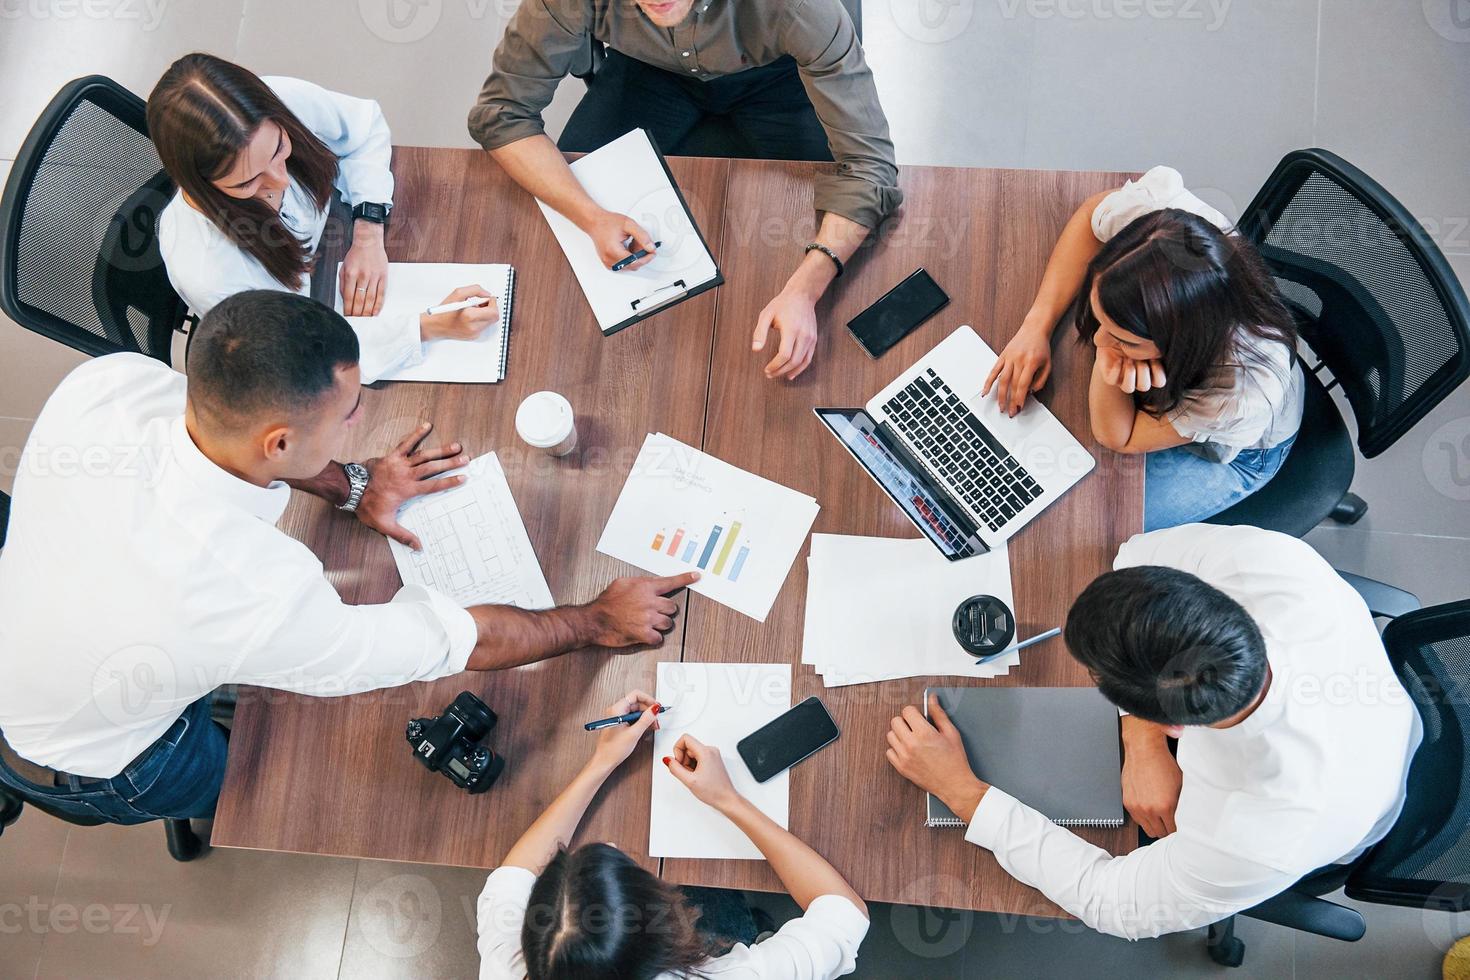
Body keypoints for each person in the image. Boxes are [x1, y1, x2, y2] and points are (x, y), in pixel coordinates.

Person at [0, 291, 695, 826]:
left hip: (56, 615)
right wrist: (593, 620)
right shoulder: (250, 591)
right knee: (242, 790)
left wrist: (354, 485)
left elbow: (236, 447)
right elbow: (458, 639)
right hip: (105, 745)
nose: (362, 419)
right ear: (277, 442)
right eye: (350, 412)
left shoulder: (111, 386)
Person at [885, 523, 1421, 940]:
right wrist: (1141, 742)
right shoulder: (1273, 564)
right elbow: (1137, 554)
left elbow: (1112, 904)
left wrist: (962, 791)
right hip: (1379, 710)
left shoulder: (1257, 834)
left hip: (1353, 810)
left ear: (1175, 725)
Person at [468, 0, 902, 382]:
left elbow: (869, 168)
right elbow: (502, 115)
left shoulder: (800, 7)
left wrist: (806, 289)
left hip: (777, 76)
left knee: (830, 252)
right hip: (648, 72)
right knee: (563, 278)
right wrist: (591, 216)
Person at [982, 166, 1304, 529]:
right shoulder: (1159, 223)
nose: (1098, 337)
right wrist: (1035, 327)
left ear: (1178, 341)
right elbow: (1092, 218)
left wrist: (1108, 361)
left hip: (1241, 447)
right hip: (1195, 377)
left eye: (1124, 338)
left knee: (1081, 521)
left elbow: (1120, 436)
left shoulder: (1240, 394)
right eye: (1101, 319)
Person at [148, 53, 499, 383]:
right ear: (201, 184)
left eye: (280, 150)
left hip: (333, 250)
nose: (280, 180)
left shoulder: (273, 103)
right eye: (249, 181)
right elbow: (301, 350)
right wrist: (428, 327)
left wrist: (368, 231)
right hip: (296, 325)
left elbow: (364, 129)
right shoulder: (209, 270)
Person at [477, 690, 870, 978]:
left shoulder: (508, 965)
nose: (613, 845)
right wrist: (729, 800)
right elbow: (845, 913)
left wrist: (602, 761)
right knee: (717, 902)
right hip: (712, 938)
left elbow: (512, 876)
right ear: (670, 926)